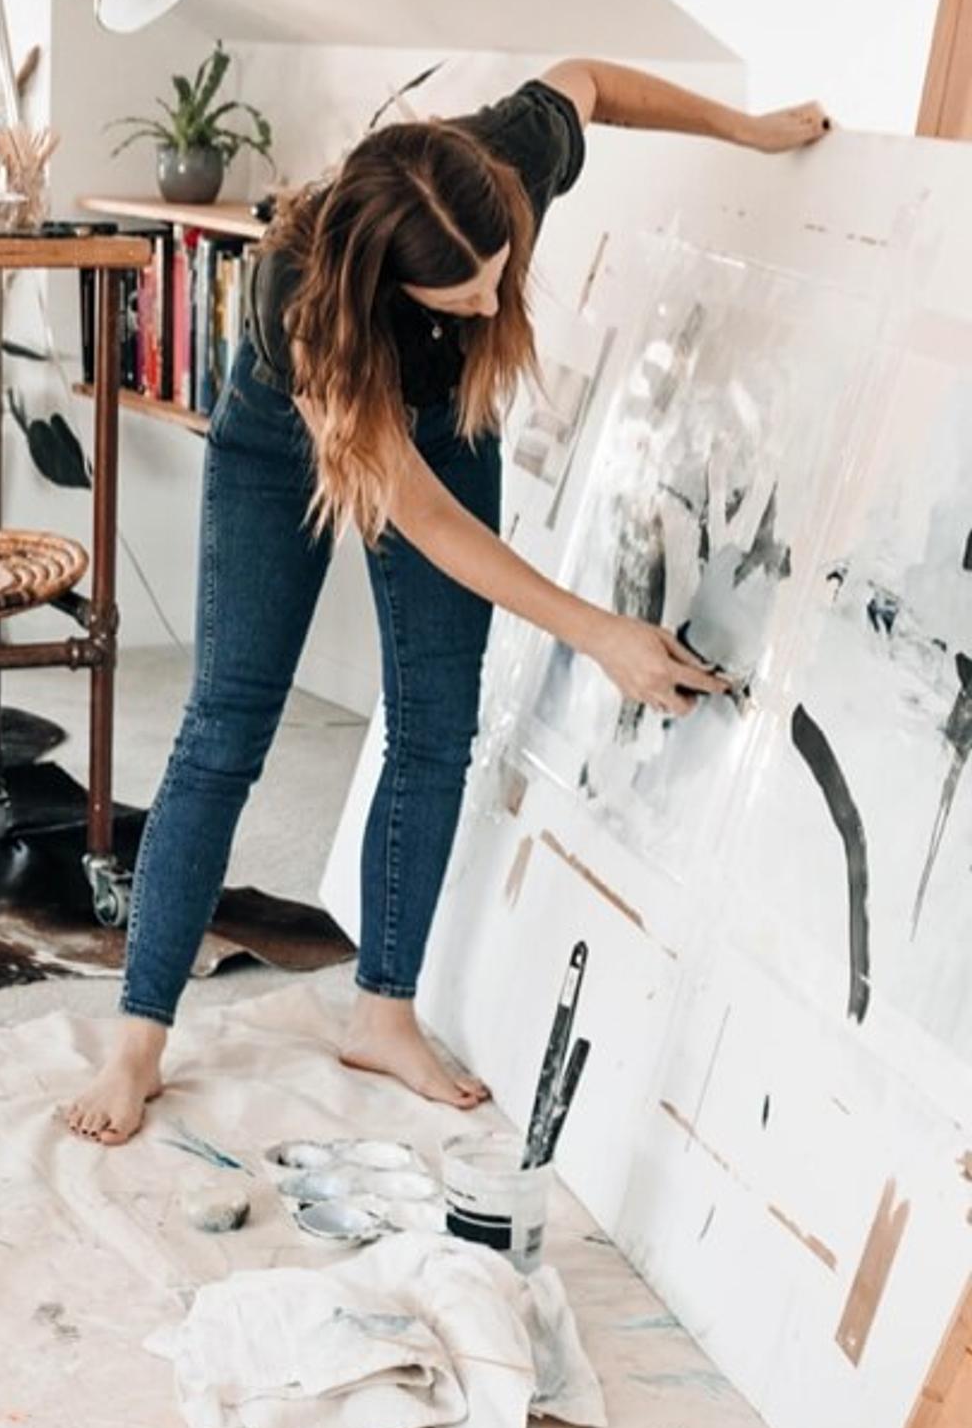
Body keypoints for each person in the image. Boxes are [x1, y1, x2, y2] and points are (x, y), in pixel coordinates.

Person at [63, 62, 831, 1143]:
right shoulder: (303, 303)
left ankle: (383, 1013)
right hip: (281, 435)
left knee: (437, 724)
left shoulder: (497, 163)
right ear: (389, 282)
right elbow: (421, 517)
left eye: (498, 275)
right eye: (461, 295)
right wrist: (600, 633)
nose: (489, 303)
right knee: (227, 724)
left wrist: (747, 127)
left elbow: (594, 81)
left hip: (441, 419)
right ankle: (138, 1042)